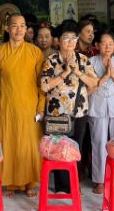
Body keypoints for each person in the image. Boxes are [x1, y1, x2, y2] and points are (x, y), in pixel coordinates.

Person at [0, 14, 46, 197]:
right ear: (7, 28)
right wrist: (3, 103)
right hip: (7, 107)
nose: (19, 29)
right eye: (15, 26)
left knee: (29, 144)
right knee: (9, 142)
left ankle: (31, 182)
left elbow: (41, 83)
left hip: (30, 106)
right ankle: (10, 182)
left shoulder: (35, 52)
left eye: (22, 25)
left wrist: (40, 107)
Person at [41, 25, 98, 194]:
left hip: (78, 111)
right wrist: (65, 74)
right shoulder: (51, 60)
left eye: (74, 39)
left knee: (75, 148)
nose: (71, 42)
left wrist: (78, 73)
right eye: (66, 38)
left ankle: (73, 184)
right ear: (58, 41)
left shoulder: (83, 60)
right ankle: (61, 186)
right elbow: (44, 86)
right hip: (57, 112)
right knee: (59, 148)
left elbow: (94, 83)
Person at [88, 31, 114, 194]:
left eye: (110, 44)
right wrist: (104, 78)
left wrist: (113, 76)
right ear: (97, 45)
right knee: (98, 143)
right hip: (97, 107)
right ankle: (100, 180)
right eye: (104, 43)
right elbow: (87, 91)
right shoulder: (89, 62)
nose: (107, 47)